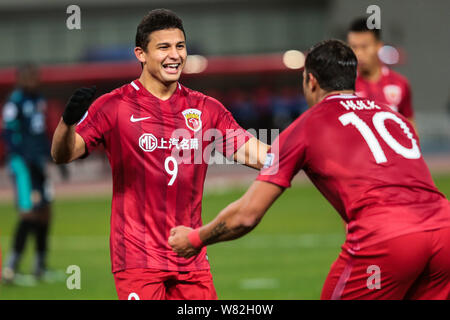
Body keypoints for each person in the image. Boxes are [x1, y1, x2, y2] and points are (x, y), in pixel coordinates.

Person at [168, 40, 450, 300]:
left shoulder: (305, 127)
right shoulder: (391, 115)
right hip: (444, 232)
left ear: (311, 80)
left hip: (388, 239)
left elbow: (247, 215)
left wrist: (194, 238)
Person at [51, 9, 268, 300]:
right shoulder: (114, 106)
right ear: (140, 53)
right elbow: (62, 154)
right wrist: (67, 122)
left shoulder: (206, 109)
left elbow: (262, 156)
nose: (175, 55)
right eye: (164, 47)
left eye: (180, 46)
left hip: (190, 256)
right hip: (137, 258)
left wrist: (308, 145)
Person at [1, 64, 53, 282]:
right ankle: (10, 269)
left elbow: (41, 133)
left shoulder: (38, 99)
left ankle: (40, 266)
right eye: (30, 76)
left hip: (39, 163)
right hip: (23, 165)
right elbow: (8, 134)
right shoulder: (15, 103)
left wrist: (51, 157)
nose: (34, 80)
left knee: (45, 211)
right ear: (21, 79)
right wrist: (23, 157)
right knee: (29, 213)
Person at [347, 17, 416, 129]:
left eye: (364, 47)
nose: (358, 53)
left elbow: (410, 126)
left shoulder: (400, 84)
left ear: (378, 46)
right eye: (354, 47)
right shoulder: (345, 86)